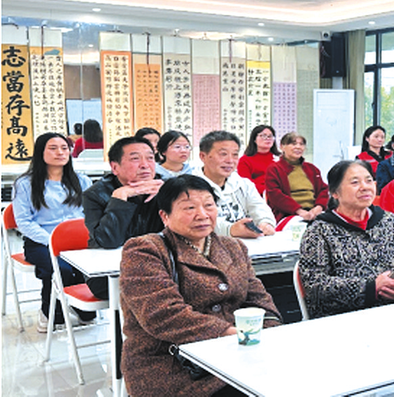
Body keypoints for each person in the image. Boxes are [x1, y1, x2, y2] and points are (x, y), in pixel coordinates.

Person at [120, 175, 282, 397]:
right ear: (165, 216)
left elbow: (259, 300)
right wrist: (232, 334)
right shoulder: (145, 250)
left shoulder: (234, 247)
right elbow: (163, 315)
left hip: (239, 353)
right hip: (175, 365)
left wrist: (268, 333)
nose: (203, 215)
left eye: (209, 205)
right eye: (189, 208)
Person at [299, 160, 394, 319]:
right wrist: (371, 287)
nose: (365, 187)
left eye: (369, 181)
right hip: (346, 318)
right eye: (355, 182)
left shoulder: (391, 221)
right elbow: (315, 286)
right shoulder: (319, 231)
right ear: (335, 193)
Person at [13, 133, 95, 332]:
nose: (60, 152)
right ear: (40, 152)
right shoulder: (25, 184)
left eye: (65, 148)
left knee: (89, 268)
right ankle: (50, 312)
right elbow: (24, 222)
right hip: (41, 241)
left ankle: (77, 305)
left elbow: (91, 214)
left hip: (78, 241)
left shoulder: (82, 180)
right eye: (53, 148)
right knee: (62, 269)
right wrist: (53, 240)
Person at [83, 136, 165, 299]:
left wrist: (168, 194)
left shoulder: (165, 187)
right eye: (135, 159)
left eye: (150, 158)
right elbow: (109, 241)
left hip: (157, 265)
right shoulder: (95, 194)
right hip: (108, 273)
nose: (145, 165)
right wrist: (120, 198)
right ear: (115, 167)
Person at [191, 130, 276, 237]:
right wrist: (230, 230)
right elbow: (196, 221)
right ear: (203, 156)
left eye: (235, 155)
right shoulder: (188, 187)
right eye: (223, 154)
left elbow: (259, 207)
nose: (230, 160)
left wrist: (266, 223)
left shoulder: (243, 184)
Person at [264, 132, 329, 222]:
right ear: (282, 147)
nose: (298, 147)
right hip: (289, 214)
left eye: (301, 144)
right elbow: (275, 195)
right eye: (293, 144)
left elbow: (323, 190)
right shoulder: (274, 169)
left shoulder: (312, 168)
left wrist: (319, 207)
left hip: (314, 212)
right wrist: (299, 211)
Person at [237, 125, 280, 195]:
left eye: (270, 136)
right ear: (254, 139)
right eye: (263, 136)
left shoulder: (280, 158)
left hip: (280, 194)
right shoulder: (245, 160)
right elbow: (245, 184)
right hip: (256, 195)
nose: (268, 139)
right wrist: (268, 191)